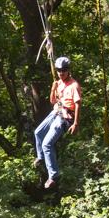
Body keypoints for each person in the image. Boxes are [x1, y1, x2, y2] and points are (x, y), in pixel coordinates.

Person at [34, 56, 81, 188]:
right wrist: (53, 88)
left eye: (63, 70)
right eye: (59, 70)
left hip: (65, 117)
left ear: (68, 70)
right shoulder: (59, 83)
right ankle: (41, 157)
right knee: (38, 132)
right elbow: (52, 101)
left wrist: (75, 123)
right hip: (56, 112)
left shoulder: (74, 86)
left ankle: (53, 176)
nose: (61, 73)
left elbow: (78, 105)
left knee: (47, 144)